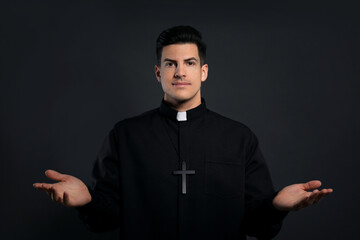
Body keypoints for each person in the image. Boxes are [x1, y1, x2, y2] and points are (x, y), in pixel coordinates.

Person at [33, 26, 333, 239]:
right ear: (158, 72)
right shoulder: (125, 136)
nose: (180, 72)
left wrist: (276, 206)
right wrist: (87, 200)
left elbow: (258, 226)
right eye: (170, 64)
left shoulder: (239, 137)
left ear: (203, 71)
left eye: (189, 63)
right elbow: (105, 220)